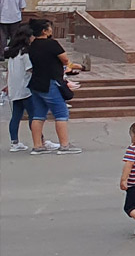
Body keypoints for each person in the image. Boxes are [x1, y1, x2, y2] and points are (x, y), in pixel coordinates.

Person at [26, 18, 80, 154]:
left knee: (38, 114)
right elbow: (65, 59)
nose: (51, 30)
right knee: (61, 113)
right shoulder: (52, 44)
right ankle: (64, 145)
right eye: (49, 28)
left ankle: (37, 146)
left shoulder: (32, 45)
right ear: (44, 31)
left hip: (36, 83)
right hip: (50, 82)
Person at [5, 29, 37, 152]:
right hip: (25, 89)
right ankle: (40, 140)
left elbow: (10, 72)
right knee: (34, 116)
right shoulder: (25, 54)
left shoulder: (13, 54)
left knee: (16, 115)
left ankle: (14, 142)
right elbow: (30, 70)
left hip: (15, 88)